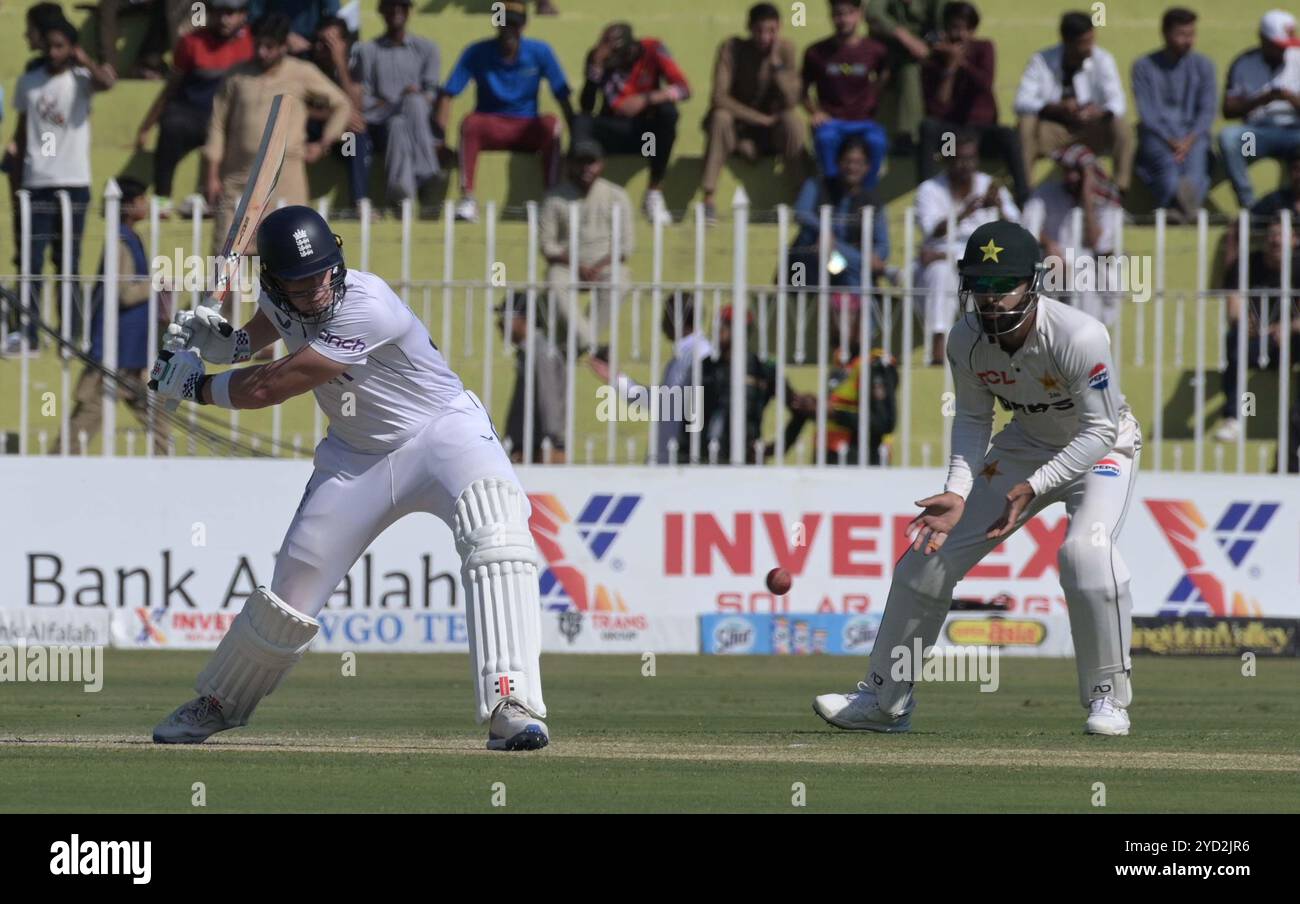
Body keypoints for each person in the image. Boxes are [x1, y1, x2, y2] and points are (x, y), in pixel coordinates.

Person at [148, 205, 550, 751]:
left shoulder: (368, 304)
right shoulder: (281, 297)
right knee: (291, 590)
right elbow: (259, 340)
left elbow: (274, 385)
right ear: (274, 281)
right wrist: (222, 343)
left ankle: (512, 704)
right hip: (356, 456)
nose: (315, 289)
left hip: (444, 434)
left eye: (323, 273)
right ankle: (219, 701)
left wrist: (195, 386)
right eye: (299, 280)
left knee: (496, 534)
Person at [814, 220, 1143, 736]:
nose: (989, 301)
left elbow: (1100, 427)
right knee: (928, 557)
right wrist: (957, 490)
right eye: (979, 287)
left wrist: (1037, 484)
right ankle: (883, 700)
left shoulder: (1081, 335)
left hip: (1100, 448)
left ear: (1033, 283)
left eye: (1001, 286)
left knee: (1085, 552)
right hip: (1024, 444)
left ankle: (1107, 700)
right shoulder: (966, 339)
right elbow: (972, 419)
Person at [8, 18, 116, 352]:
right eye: (50, 46)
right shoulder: (29, 81)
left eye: (61, 46)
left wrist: (83, 58)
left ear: (72, 47)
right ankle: (28, 332)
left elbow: (108, 82)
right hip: (36, 181)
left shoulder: (81, 79)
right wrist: (18, 180)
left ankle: (68, 333)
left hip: (72, 182)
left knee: (67, 259)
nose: (54, 52)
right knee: (32, 261)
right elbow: (24, 131)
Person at [204, 14, 351, 259]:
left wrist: (323, 144)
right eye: (258, 45)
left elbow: (342, 104)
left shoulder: (301, 72)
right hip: (238, 177)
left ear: (284, 46)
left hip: (286, 177)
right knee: (226, 257)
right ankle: (223, 300)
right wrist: (211, 176)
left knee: (291, 255)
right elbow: (217, 125)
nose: (262, 52)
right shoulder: (236, 76)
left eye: (270, 47)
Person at [56, 178, 169, 454]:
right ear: (129, 206)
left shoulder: (129, 238)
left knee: (156, 415)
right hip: (116, 350)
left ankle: (169, 466)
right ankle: (54, 465)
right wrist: (155, 284)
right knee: (90, 415)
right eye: (142, 199)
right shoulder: (120, 242)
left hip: (130, 351)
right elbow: (124, 293)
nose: (145, 204)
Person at [438, 1, 572, 224]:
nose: (508, 29)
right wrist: (440, 140)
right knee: (470, 123)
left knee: (551, 125)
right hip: (491, 125)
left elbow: (562, 94)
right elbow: (448, 93)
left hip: (527, 126)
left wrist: (576, 138)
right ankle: (468, 198)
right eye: (503, 23)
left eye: (514, 24)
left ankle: (550, 199)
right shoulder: (476, 52)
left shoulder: (541, 51)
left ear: (524, 25)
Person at [135, 0, 254, 217]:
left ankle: (216, 200)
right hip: (193, 115)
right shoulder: (191, 42)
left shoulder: (252, 43)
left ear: (243, 15)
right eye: (218, 12)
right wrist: (147, 126)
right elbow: (172, 86)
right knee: (171, 125)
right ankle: (163, 198)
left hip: (231, 120)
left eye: (230, 13)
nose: (224, 19)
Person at [914, 129, 1018, 362]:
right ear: (948, 160)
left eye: (971, 158)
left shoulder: (990, 185)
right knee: (939, 272)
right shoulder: (929, 190)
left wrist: (999, 207)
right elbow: (932, 230)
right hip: (942, 258)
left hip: (983, 260)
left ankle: (1000, 344)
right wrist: (964, 212)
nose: (965, 165)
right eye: (959, 159)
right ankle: (939, 343)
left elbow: (1016, 230)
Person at [576, 22, 690, 225]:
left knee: (667, 113)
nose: (614, 63)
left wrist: (645, 99)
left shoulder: (653, 49)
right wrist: (596, 69)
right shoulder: (598, 57)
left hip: (648, 141)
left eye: (617, 57)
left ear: (631, 49)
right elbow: (586, 106)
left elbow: (683, 89)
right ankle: (577, 193)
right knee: (581, 122)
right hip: (613, 131)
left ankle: (654, 192)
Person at [700, 2, 802, 226]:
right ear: (749, 28)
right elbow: (719, 97)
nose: (765, 37)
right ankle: (708, 198)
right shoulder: (731, 48)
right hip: (738, 129)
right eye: (759, 31)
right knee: (720, 117)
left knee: (792, 122)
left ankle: (800, 199)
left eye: (771, 31)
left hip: (772, 131)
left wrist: (777, 66)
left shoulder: (786, 50)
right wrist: (759, 119)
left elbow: (792, 100)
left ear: (779, 29)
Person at [917, 1, 1027, 204]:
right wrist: (950, 67)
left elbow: (985, 84)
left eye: (964, 29)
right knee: (929, 127)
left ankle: (1023, 197)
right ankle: (927, 195)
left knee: (1008, 135)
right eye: (953, 28)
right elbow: (938, 107)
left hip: (979, 133)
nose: (958, 35)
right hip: (950, 138)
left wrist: (963, 63)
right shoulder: (934, 60)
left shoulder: (984, 49)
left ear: (972, 30)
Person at [588, 292, 714, 464]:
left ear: (676, 319)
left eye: (665, 316)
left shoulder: (698, 354)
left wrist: (619, 381)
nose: (662, 323)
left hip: (680, 460)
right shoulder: (686, 354)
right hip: (670, 457)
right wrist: (617, 379)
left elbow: (666, 402)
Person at [1014, 11, 1132, 193]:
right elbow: (1021, 101)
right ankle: (1025, 193)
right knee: (1025, 123)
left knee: (1121, 125)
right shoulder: (1041, 60)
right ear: (1067, 41)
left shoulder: (1103, 59)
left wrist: (1097, 113)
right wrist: (1056, 108)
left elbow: (1118, 103)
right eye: (1084, 43)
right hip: (1055, 131)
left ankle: (1119, 191)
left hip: (1091, 130)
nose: (1089, 47)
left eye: (1091, 40)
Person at [778, 294, 898, 464]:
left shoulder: (876, 365)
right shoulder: (842, 364)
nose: (832, 325)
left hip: (860, 461)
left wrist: (833, 413)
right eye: (830, 317)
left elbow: (884, 422)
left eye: (842, 317)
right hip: (830, 460)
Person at [539, 139, 634, 352]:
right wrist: (577, 266)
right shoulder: (554, 198)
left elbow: (625, 246)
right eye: (580, 162)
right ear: (569, 164)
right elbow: (547, 245)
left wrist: (598, 267)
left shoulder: (616, 195)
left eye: (592, 162)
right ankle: (588, 343)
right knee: (554, 280)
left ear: (602, 164)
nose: (586, 168)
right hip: (568, 266)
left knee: (621, 279)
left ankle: (581, 341)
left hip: (605, 265)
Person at [1213, 220, 1300, 443]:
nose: (1275, 239)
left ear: (1295, 240)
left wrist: (1287, 327)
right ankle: (1234, 418)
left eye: (1281, 234)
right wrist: (1243, 321)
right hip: (1259, 342)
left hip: (1292, 342)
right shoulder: (1248, 264)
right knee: (1234, 338)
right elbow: (1233, 305)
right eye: (1272, 234)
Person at [349, 0, 441, 205]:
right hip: (379, 120)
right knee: (401, 111)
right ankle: (427, 171)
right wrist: (395, 101)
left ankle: (402, 196)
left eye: (402, 6)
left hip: (416, 119)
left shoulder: (427, 48)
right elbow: (364, 97)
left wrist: (413, 97)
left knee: (404, 115)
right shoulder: (368, 50)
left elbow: (432, 93)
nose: (396, 11)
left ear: (409, 11)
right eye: (391, 6)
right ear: (382, 11)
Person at [1021, 144, 1124, 327]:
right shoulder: (1047, 192)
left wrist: (1086, 196)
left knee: (1084, 279)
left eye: (1077, 172)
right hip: (1051, 265)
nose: (1071, 177)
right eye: (1067, 171)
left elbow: (1096, 243)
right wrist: (1048, 243)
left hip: (1092, 271)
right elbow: (1027, 227)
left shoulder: (1106, 201)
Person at [699, 304, 814, 464]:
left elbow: (799, 409)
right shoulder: (706, 367)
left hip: (747, 460)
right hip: (705, 459)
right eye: (718, 324)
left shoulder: (761, 368)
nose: (718, 331)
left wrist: (773, 448)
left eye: (725, 325)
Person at [1131, 7, 1216, 222]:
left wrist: (1188, 141)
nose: (1188, 41)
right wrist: (1171, 141)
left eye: (1191, 34)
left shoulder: (1204, 66)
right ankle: (1185, 207)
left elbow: (1207, 111)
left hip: (1193, 136)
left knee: (1196, 173)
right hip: (1157, 135)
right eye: (1181, 34)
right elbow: (1147, 113)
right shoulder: (1143, 66)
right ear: (1165, 33)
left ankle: (1174, 209)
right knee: (1168, 174)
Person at [801, 0, 890, 188]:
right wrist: (815, 112)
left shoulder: (875, 50)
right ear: (831, 16)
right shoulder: (815, 52)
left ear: (859, 14)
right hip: (832, 122)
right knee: (825, 140)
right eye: (838, 14)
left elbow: (884, 75)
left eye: (849, 13)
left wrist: (873, 98)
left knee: (878, 141)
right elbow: (802, 90)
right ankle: (833, 193)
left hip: (864, 122)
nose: (843, 19)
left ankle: (865, 196)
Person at [1219, 10, 1300, 209]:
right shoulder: (1244, 63)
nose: (1282, 51)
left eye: (1285, 47)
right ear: (1263, 39)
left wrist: (1290, 98)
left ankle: (1295, 207)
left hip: (1295, 135)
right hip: (1257, 136)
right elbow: (1228, 111)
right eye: (1277, 46)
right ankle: (1250, 206)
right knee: (1230, 138)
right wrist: (1262, 99)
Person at [788, 135, 890, 291]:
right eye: (847, 161)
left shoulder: (872, 200)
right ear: (837, 163)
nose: (852, 167)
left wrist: (874, 256)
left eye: (858, 163)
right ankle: (879, 271)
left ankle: (861, 274)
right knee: (822, 244)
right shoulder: (816, 185)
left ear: (867, 167)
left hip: (842, 265)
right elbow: (801, 213)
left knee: (852, 274)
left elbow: (882, 243)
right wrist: (825, 230)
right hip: (809, 264)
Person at [865, 0, 942, 152]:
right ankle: (907, 135)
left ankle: (914, 136)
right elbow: (873, 14)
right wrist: (904, 37)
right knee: (907, 70)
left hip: (931, 52)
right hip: (893, 52)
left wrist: (935, 43)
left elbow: (948, 19)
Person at [499, 291, 567, 463]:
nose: (499, 325)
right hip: (528, 445)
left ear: (523, 320)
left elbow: (548, 398)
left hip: (538, 446)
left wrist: (552, 441)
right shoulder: (529, 351)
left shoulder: (541, 352)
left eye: (505, 319)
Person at [248, 0, 339, 57]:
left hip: (313, 50)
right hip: (276, 49)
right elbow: (255, 20)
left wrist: (317, 43)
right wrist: (285, 36)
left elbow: (334, 20)